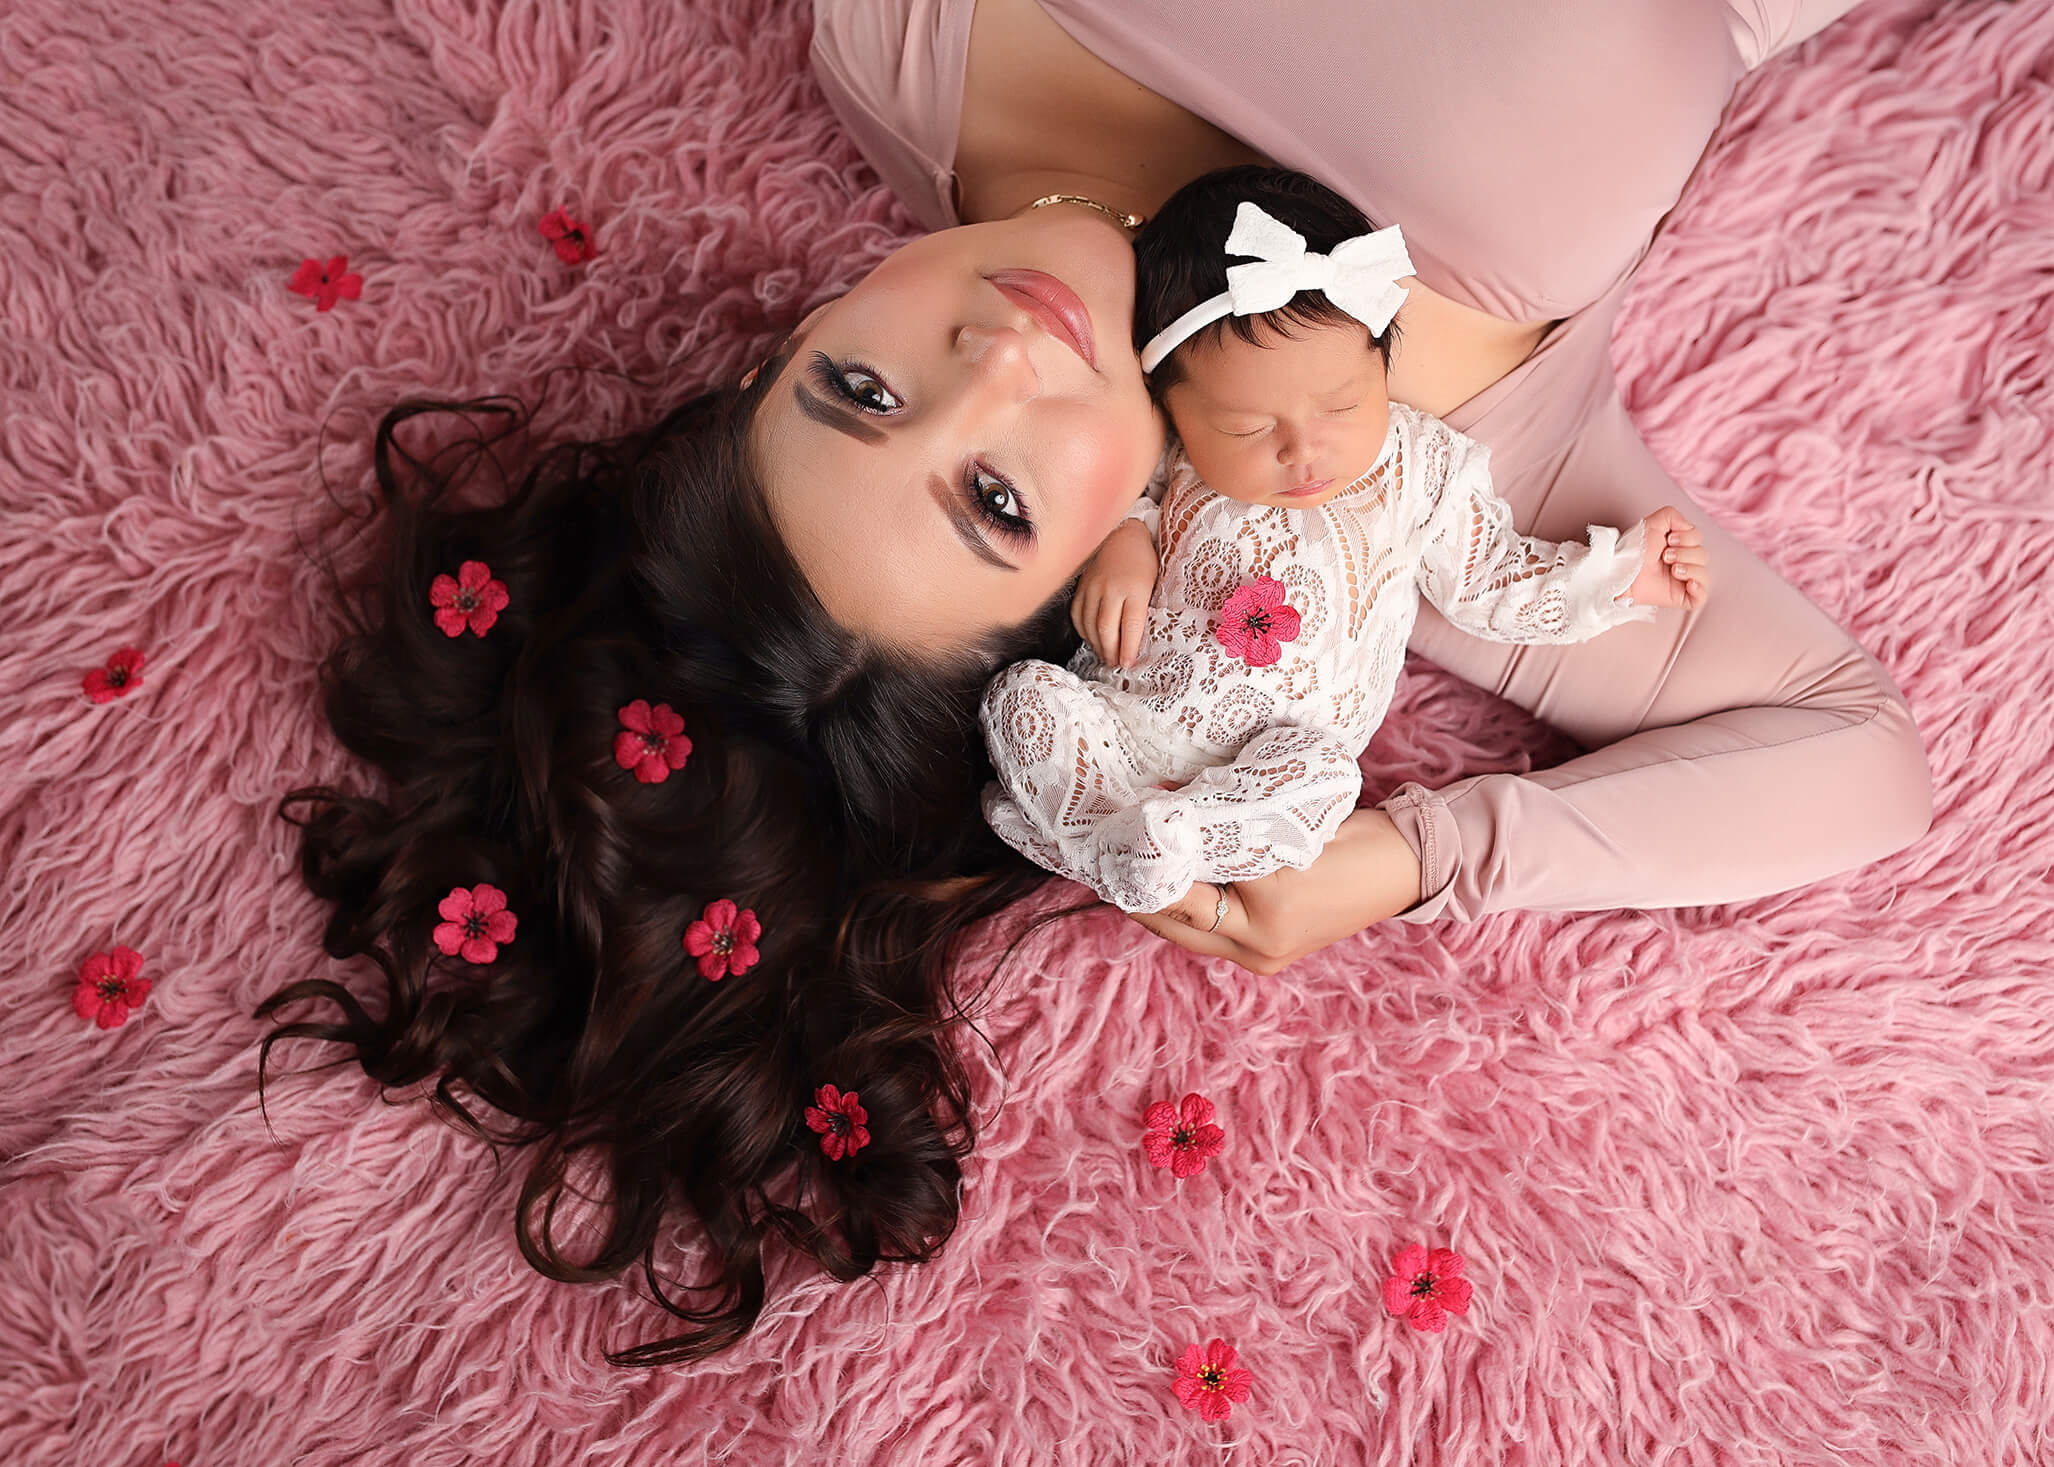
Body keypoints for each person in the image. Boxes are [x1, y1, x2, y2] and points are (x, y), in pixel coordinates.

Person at [271, 0, 1929, 1364]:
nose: (989, 357)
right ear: (1092, 607)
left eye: (858, 387)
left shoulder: (897, 47)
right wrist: (1418, 860)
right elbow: (1848, 751)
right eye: (995, 499)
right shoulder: (1412, 479)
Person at [980, 166, 1711, 920]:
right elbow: (1116, 480)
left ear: (1380, 365)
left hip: (1267, 764)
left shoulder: (1420, 469)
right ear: (1174, 406)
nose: (1304, 450)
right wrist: (1127, 534)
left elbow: (1489, 581)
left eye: (1341, 405)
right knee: (1022, 699)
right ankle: (1104, 836)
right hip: (1123, 727)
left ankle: (1155, 844)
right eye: (1248, 428)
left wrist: (1619, 576)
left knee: (1326, 780)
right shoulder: (1172, 457)